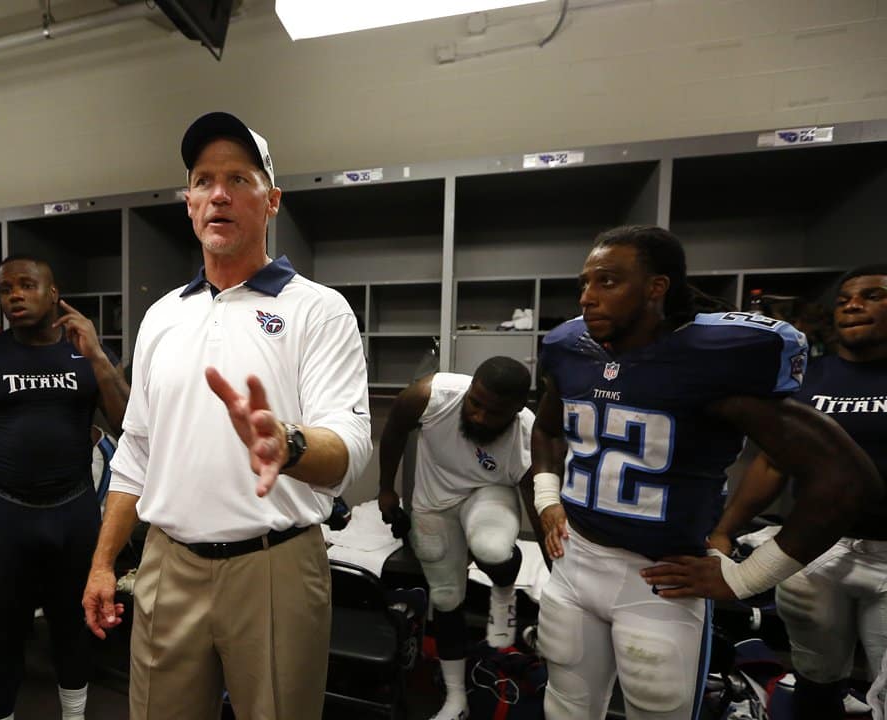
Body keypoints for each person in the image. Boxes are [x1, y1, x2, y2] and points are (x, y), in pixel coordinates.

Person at [81, 111, 372, 720]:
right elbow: (135, 451)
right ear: (189, 202)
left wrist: (287, 444)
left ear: (272, 202)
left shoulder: (319, 310)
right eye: (205, 179)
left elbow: (349, 443)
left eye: (240, 179)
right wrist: (104, 562)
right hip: (167, 561)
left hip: (275, 566)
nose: (219, 193)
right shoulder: (162, 315)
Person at [528, 224, 881, 719]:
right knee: (563, 706)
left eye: (607, 281)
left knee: (658, 709)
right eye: (584, 283)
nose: (588, 297)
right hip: (574, 564)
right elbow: (546, 429)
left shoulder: (706, 360)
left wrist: (746, 578)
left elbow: (846, 481)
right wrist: (547, 499)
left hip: (658, 579)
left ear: (657, 287)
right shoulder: (571, 348)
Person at [0, 256, 130, 720]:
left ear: (53, 293)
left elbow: (128, 424)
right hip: (7, 517)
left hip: (73, 513)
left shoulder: (88, 353)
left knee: (73, 628)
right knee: (4, 633)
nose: (14, 295)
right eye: (4, 289)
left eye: (26, 285)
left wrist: (97, 356)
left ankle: (73, 715)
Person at [709, 264, 887, 718]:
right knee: (816, 677)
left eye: (872, 296)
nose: (852, 304)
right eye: (846, 297)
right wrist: (725, 530)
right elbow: (773, 462)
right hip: (818, 549)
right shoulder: (809, 380)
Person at [377, 357, 534, 720]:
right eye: (474, 403)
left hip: (489, 494)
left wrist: (559, 570)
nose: (478, 416)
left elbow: (536, 504)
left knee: (491, 547)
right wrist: (387, 490)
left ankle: (504, 593)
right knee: (446, 598)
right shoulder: (431, 395)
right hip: (435, 501)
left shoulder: (527, 433)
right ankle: (456, 699)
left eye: (492, 412)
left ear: (515, 411)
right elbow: (396, 430)